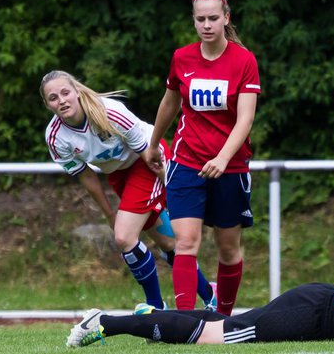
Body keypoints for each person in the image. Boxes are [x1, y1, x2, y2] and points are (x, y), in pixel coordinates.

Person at [65, 203, 334, 346]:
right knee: (214, 338)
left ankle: (144, 317)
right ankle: (104, 322)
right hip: (308, 317)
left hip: (318, 310)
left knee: (226, 324)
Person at [41, 70, 214, 310]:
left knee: (124, 236)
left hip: (149, 160)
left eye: (65, 92)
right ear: (47, 105)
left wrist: (173, 189)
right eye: (53, 98)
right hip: (119, 176)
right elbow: (88, 177)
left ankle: (155, 306)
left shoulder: (109, 112)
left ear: (77, 92)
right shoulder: (55, 137)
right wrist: (109, 214)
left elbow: (148, 153)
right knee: (167, 243)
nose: (61, 100)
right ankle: (209, 295)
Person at [142, 0, 260, 316]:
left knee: (227, 249)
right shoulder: (182, 57)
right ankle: (184, 321)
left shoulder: (244, 60)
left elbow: (245, 118)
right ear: (194, 22)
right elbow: (170, 102)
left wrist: (222, 158)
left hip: (230, 167)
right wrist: (153, 143)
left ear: (226, 19)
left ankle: (222, 320)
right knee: (185, 243)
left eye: (212, 18)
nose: (206, 25)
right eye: (200, 19)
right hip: (186, 161)